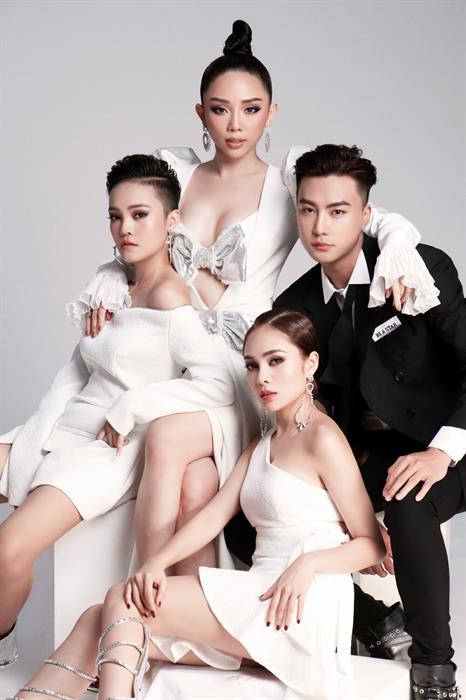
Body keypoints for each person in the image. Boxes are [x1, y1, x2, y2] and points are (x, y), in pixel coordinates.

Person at [75, 19, 439, 578]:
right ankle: (183, 612)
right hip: (171, 349)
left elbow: (357, 209)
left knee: (169, 442)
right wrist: (108, 272)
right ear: (200, 114)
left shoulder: (287, 179)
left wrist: (397, 244)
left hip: (238, 361)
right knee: (195, 485)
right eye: (220, 109)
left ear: (271, 113)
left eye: (251, 109)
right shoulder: (176, 171)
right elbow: (138, 229)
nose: (235, 124)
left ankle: (141, 600)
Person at [9, 309, 385, 700]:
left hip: (299, 604)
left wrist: (308, 564)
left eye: (276, 361)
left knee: (123, 601)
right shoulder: (263, 444)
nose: (262, 378)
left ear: (310, 364)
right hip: (259, 593)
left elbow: (370, 544)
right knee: (96, 621)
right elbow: (213, 516)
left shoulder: (324, 439)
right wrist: (157, 562)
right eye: (252, 366)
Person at [0, 154, 233, 670]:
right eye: (115, 216)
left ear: (171, 221)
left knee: (8, 549)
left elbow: (219, 383)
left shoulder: (173, 299)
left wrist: (133, 405)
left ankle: (1, 640)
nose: (124, 228)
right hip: (66, 425)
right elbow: (79, 368)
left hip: (106, 449)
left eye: (140, 215)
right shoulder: (112, 285)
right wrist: (33, 435)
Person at [270, 144, 465, 700]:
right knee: (255, 500)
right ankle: (377, 623)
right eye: (308, 210)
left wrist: (441, 452)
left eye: (338, 211)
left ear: (366, 214)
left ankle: (435, 669)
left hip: (448, 440)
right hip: (365, 452)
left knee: (409, 500)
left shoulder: (416, 268)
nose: (320, 226)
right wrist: (350, 500)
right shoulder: (297, 305)